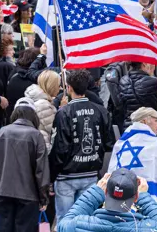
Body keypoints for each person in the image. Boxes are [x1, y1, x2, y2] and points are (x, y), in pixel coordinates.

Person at [51, 69, 115, 219]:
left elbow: (59, 147)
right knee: (86, 220)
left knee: (65, 220)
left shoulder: (64, 112)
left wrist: (53, 174)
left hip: (67, 175)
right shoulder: (100, 111)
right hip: (90, 172)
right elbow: (109, 142)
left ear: (69, 88)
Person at [0, 98, 49, 232]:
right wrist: (43, 198)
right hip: (28, 195)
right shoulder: (36, 135)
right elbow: (41, 171)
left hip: (3, 192)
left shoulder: (3, 132)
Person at [111, 107, 157, 219]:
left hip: (123, 202)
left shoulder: (120, 144)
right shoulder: (154, 144)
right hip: (151, 203)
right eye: (156, 120)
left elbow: (111, 173)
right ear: (144, 121)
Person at [57, 169, 157, 232]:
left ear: (106, 192)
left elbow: (62, 224)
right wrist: (144, 197)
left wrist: (95, 192)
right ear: (136, 197)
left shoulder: (78, 225)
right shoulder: (150, 228)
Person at [24, 69, 59, 154]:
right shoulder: (44, 105)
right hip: (44, 149)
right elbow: (54, 129)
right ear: (52, 86)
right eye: (58, 85)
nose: (60, 88)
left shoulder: (38, 100)